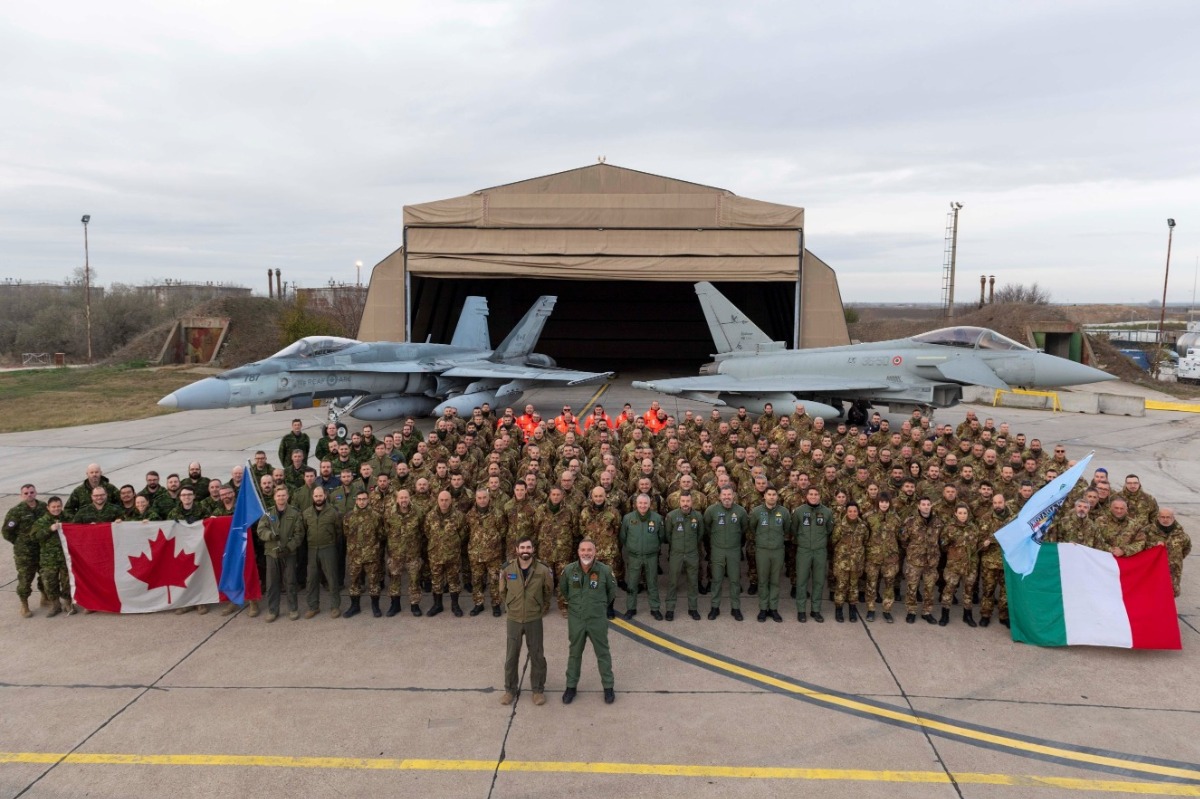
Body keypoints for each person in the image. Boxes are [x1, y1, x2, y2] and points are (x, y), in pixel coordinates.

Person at [559, 538, 617, 705]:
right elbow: (564, 589)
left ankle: (608, 687)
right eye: (583, 550)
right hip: (576, 619)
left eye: (589, 550)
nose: (586, 553)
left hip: (597, 619)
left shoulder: (605, 571)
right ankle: (571, 687)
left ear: (595, 552)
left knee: (603, 653)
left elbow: (611, 592)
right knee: (574, 653)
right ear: (578, 552)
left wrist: (597, 606)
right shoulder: (569, 570)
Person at [499, 536, 553, 706]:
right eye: (522, 548)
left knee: (537, 655)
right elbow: (502, 591)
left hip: (533, 618)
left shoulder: (543, 570)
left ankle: (537, 690)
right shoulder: (507, 569)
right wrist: (510, 606)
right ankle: (509, 690)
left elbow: (548, 591)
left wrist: (539, 608)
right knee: (511, 656)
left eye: (528, 548)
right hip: (514, 619)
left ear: (533, 549)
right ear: (516, 550)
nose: (525, 551)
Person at [258, 486, 306, 622]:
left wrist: (289, 547)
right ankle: (273, 610)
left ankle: (293, 609)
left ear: (287, 496)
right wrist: (270, 535)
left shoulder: (295, 513)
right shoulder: (268, 513)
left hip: (289, 553)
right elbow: (261, 530)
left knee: (290, 581)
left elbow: (299, 534)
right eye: (278, 496)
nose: (281, 498)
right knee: (272, 583)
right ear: (274, 497)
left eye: (283, 495)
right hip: (272, 553)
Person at [703, 486, 749, 621]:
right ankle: (715, 607)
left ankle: (735, 608)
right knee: (716, 579)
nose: (727, 497)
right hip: (717, 550)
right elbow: (707, 527)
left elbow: (744, 528)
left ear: (733, 496)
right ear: (719, 496)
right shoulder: (711, 510)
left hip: (734, 550)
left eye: (729, 495)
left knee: (735, 580)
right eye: (724, 495)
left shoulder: (740, 511)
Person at [620, 493, 665, 620]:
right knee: (632, 584)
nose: (643, 506)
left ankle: (655, 608)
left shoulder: (657, 518)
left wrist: (652, 547)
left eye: (645, 503)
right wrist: (632, 547)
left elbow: (661, 536)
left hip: (651, 557)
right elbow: (623, 537)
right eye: (640, 503)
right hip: (634, 557)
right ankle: (631, 608)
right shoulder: (628, 518)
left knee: (652, 583)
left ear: (649, 504)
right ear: (636, 504)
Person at [4, 484, 47, 617]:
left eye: (31, 492)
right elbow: (6, 532)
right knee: (25, 578)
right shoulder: (16, 511)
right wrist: (20, 543)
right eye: (26, 493)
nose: (29, 495)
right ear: (21, 495)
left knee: (46, 575)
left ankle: (45, 597)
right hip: (25, 553)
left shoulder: (44, 507)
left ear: (36, 493)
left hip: (43, 548)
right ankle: (24, 604)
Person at [793, 487, 834, 623]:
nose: (814, 496)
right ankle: (801, 610)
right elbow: (794, 529)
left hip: (820, 551)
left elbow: (829, 530)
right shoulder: (799, 511)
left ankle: (815, 610)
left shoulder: (827, 512)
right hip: (804, 551)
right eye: (811, 494)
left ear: (820, 496)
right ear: (806, 496)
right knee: (802, 581)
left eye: (816, 494)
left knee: (818, 581)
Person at [750, 487, 791, 623]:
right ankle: (763, 608)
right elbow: (752, 527)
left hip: (778, 550)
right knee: (762, 580)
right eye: (769, 494)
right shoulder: (757, 512)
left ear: (777, 497)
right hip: (762, 551)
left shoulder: (784, 512)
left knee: (775, 581)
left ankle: (773, 608)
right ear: (764, 496)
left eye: (774, 494)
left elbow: (787, 529)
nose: (772, 497)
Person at [302, 487, 343, 618]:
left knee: (332, 578)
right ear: (313, 497)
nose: (318, 498)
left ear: (325, 496)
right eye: (316, 496)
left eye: (320, 496)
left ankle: (335, 606)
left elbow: (339, 531)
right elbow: (304, 530)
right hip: (312, 549)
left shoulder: (333, 512)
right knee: (312, 579)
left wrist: (331, 543)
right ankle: (313, 607)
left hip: (328, 548)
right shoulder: (307, 513)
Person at [663, 492, 704, 620]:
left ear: (692, 502)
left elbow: (700, 534)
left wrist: (691, 546)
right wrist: (677, 546)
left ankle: (693, 608)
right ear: (679, 502)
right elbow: (668, 535)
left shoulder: (698, 516)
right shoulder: (671, 516)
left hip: (692, 553)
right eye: (683, 501)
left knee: (693, 581)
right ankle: (670, 609)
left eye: (688, 501)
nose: (685, 504)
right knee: (673, 581)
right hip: (677, 553)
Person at [343, 491, 383, 618]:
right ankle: (355, 606)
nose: (361, 501)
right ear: (356, 500)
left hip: (371, 555)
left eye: (364, 499)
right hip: (355, 556)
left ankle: (375, 606)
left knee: (373, 582)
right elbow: (346, 533)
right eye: (359, 499)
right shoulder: (349, 516)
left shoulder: (376, 516)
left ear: (368, 500)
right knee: (354, 582)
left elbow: (381, 534)